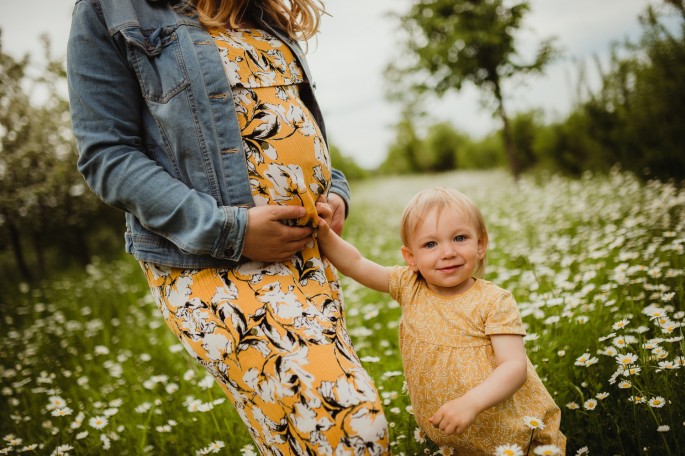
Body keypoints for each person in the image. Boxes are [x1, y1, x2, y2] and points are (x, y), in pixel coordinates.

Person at [66, 0, 390, 454]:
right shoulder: (111, 9)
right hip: (212, 265)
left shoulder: (258, 11)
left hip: (308, 259)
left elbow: (291, 116)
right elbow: (107, 156)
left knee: (296, 434)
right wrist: (230, 230)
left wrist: (334, 191)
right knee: (353, 424)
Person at [315, 187, 566, 455]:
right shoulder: (408, 285)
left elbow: (514, 366)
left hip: (509, 434)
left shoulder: (494, 301)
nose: (447, 252)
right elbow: (356, 263)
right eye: (430, 244)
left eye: (459, 238)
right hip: (453, 436)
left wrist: (471, 403)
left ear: (480, 245)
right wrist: (322, 232)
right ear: (411, 257)